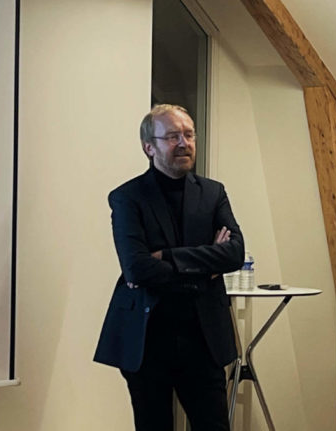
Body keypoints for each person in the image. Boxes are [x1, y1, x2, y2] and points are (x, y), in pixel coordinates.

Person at [94, 104, 244, 431]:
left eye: (188, 135)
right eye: (172, 136)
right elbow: (137, 268)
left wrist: (167, 257)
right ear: (149, 147)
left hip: (203, 336)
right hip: (148, 337)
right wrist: (205, 266)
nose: (183, 143)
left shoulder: (213, 193)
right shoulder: (127, 197)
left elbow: (234, 253)